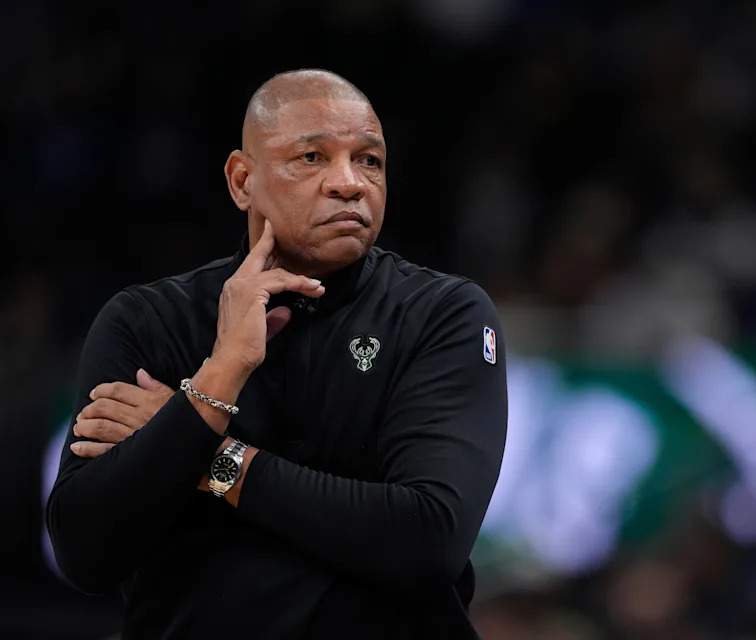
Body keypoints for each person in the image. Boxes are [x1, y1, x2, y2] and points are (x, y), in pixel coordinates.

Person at [46, 69, 508, 639]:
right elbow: (85, 556)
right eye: (311, 157)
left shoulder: (443, 313)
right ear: (243, 180)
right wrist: (222, 374)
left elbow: (427, 539)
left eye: (370, 160)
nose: (350, 183)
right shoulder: (148, 321)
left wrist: (209, 455)